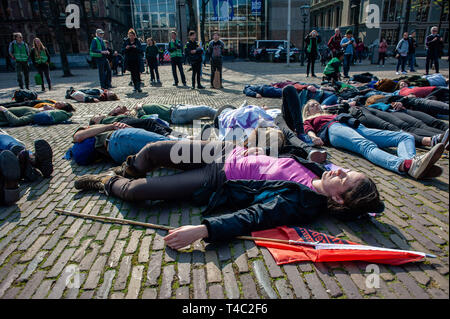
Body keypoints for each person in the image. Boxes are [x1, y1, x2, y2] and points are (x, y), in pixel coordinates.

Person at [74, 138, 383, 248]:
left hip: (217, 176)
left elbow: (253, 216)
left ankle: (105, 182)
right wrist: (262, 151)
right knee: (153, 151)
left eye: (345, 177)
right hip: (224, 151)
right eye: (345, 169)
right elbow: (285, 156)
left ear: (339, 198)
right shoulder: (318, 172)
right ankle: (128, 169)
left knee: (137, 194)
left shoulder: (299, 202)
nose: (339, 169)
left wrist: (203, 229)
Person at [281, 86, 445, 179]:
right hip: (333, 129)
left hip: (355, 125)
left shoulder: (331, 111)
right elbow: (308, 130)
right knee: (366, 146)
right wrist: (314, 137)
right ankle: (403, 165)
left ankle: (412, 162)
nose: (315, 106)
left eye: (316, 104)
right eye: (311, 106)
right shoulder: (310, 120)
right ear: (306, 112)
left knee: (405, 136)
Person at [67, 123, 175, 165]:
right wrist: (111, 126)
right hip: (119, 139)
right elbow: (78, 136)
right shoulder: (87, 131)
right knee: (173, 147)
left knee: (166, 156)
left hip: (117, 152)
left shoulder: (93, 139)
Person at [0, 105, 73, 127]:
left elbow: (17, 121)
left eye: (52, 108)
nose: (51, 105)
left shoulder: (33, 114)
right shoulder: (35, 109)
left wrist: (5, 110)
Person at [122, 29, 143, 93]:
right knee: (133, 74)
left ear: (134, 36)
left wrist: (136, 47)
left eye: (132, 35)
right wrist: (126, 48)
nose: (131, 37)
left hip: (137, 60)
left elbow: (141, 50)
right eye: (130, 35)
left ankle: (138, 86)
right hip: (129, 60)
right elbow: (122, 51)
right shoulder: (126, 42)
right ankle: (134, 86)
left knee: (137, 73)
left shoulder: (137, 41)